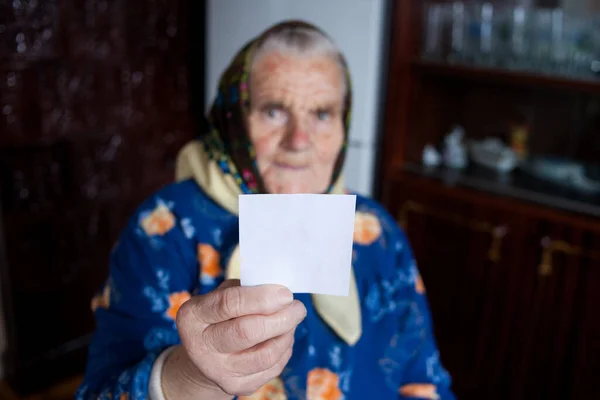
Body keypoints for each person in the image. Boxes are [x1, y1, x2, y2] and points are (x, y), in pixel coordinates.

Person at [76, 21, 455, 400]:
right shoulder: (165, 229)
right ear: (233, 118)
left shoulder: (376, 232)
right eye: (274, 110)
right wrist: (189, 379)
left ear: (343, 128)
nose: (299, 141)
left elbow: (423, 380)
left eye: (322, 114)